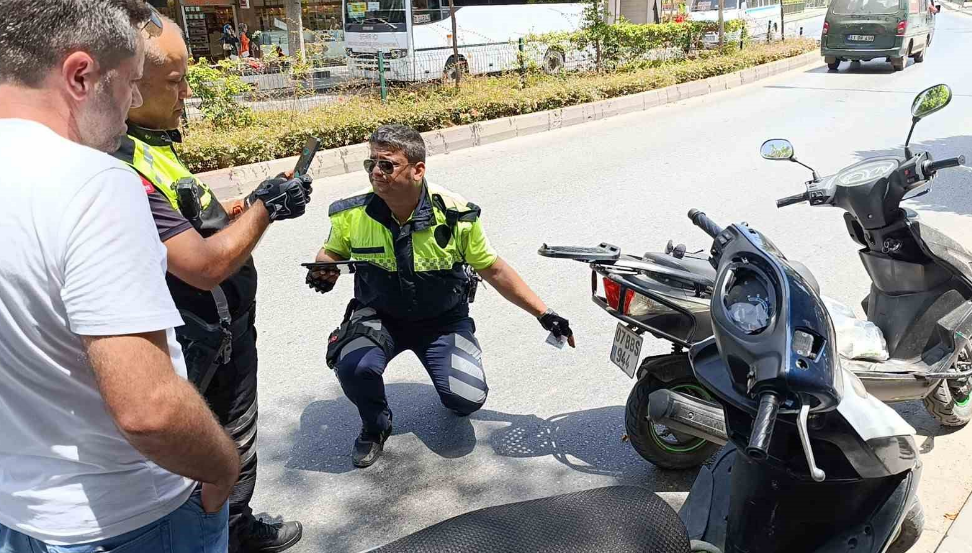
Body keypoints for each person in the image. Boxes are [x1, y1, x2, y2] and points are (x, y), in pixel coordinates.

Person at [0, 1, 240, 552]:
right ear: (81, 74)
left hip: (21, 513)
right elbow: (150, 409)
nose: (134, 100)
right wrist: (222, 464)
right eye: (130, 82)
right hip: (131, 517)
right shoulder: (95, 184)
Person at [111, 15, 308, 553]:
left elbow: (187, 221)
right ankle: (222, 535)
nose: (187, 93)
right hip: (200, 340)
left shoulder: (149, 143)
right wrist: (267, 209)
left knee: (235, 440)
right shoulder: (118, 165)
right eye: (174, 82)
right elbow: (201, 264)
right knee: (219, 447)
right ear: (125, 84)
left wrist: (248, 205)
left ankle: (236, 527)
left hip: (222, 330)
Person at [309, 124, 577, 468]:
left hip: (442, 321)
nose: (376, 171)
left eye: (387, 164)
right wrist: (323, 269)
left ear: (418, 169)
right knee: (355, 366)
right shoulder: (350, 212)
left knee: (467, 400)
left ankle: (450, 382)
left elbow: (492, 268)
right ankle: (375, 424)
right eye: (371, 163)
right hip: (379, 317)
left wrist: (544, 313)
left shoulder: (456, 214)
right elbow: (331, 251)